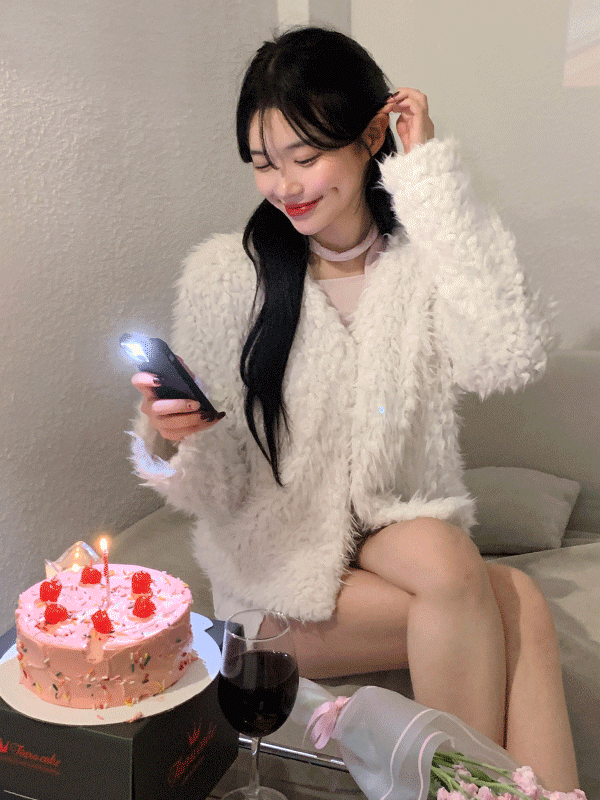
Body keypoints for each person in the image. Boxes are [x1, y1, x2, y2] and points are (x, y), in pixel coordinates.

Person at [130, 26, 580, 791]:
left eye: (305, 157)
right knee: (504, 599)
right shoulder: (226, 276)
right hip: (276, 579)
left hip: (390, 529)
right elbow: (215, 490)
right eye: (263, 163)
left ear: (372, 137)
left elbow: (510, 353)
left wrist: (428, 179)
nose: (285, 185)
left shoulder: (420, 265)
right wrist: (173, 435)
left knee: (478, 576)